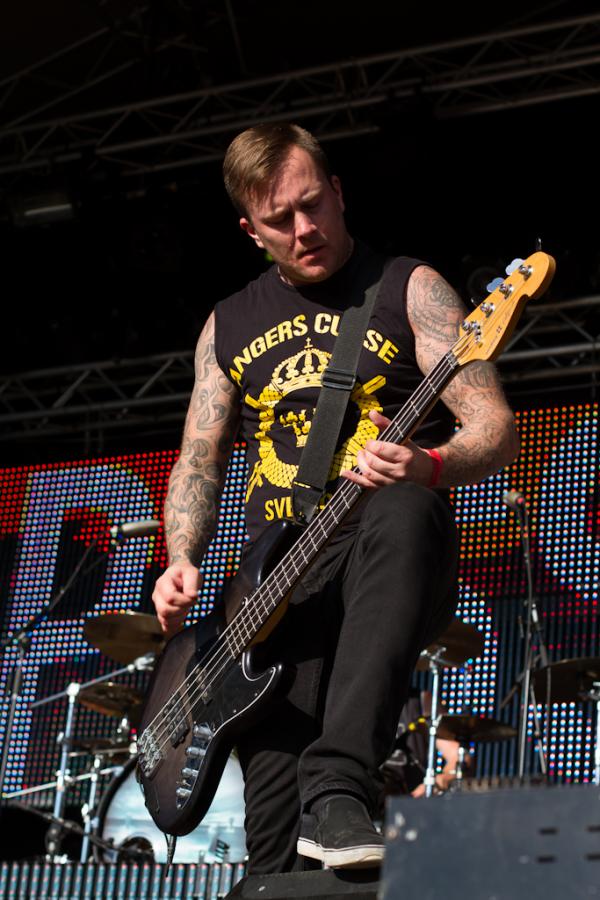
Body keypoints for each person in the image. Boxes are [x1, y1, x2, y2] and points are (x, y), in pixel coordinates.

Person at [151, 122, 519, 873]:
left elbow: (494, 427)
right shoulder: (227, 324)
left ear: (339, 192)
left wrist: (431, 461)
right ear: (251, 231)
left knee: (405, 506)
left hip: (372, 544)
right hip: (271, 595)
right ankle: (316, 819)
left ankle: (343, 781)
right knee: (276, 866)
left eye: (313, 204)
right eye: (280, 220)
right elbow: (198, 455)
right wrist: (181, 558)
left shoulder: (410, 288)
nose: (304, 228)